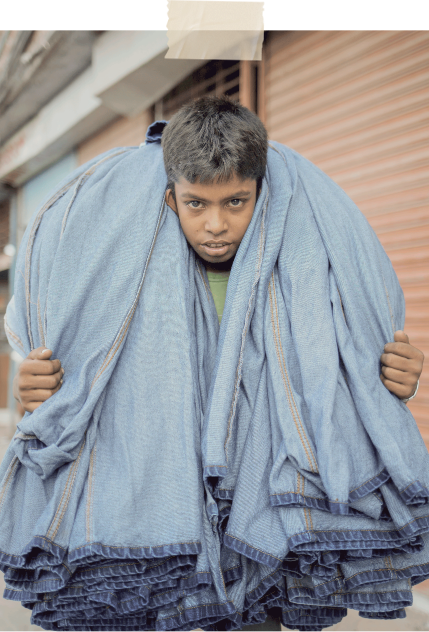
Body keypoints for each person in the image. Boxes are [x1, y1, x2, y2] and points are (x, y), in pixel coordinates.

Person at [9, 96, 425, 631]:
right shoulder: (129, 285)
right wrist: (34, 385)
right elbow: (83, 368)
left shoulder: (305, 280)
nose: (215, 225)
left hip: (263, 525)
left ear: (261, 192)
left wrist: (396, 381)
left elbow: (348, 365)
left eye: (235, 202)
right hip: (163, 520)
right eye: (196, 204)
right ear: (169, 199)